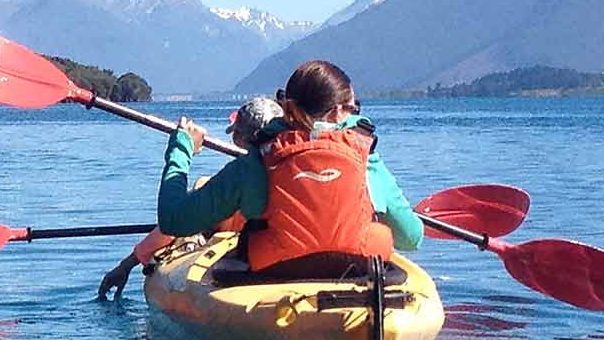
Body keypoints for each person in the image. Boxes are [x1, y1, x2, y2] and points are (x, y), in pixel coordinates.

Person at [161, 59, 421, 282]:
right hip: (357, 271)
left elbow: (174, 220)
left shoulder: (258, 159)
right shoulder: (366, 159)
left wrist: (181, 149)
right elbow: (411, 237)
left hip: (274, 274)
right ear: (338, 110)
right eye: (354, 108)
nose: (355, 114)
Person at [98, 96, 282, 300]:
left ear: (239, 139)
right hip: (294, 261)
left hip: (250, 261)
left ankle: (194, 241)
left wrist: (183, 146)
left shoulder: (238, 178)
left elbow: (174, 223)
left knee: (201, 186)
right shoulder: (300, 165)